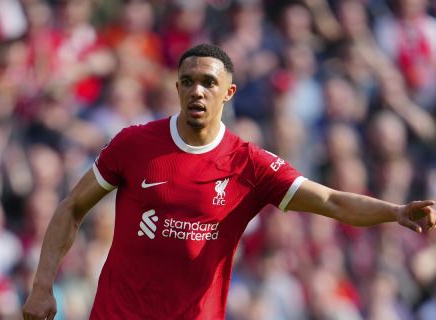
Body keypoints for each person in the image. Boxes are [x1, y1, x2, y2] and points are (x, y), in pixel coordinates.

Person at [22, 44, 436, 320]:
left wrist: (395, 212)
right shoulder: (134, 144)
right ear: (177, 88)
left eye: (208, 83)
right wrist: (42, 286)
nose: (196, 91)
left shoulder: (249, 164)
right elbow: (72, 207)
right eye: (187, 82)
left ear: (229, 93)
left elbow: (330, 201)